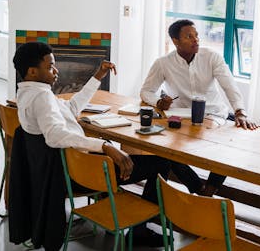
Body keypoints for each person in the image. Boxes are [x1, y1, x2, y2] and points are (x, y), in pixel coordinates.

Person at [12, 42, 168, 247]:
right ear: (33, 71)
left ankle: (193, 191)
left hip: (71, 170)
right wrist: (105, 146)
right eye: (50, 66)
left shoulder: (26, 93)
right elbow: (55, 135)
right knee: (163, 164)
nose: (55, 70)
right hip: (83, 174)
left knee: (161, 162)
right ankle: (140, 230)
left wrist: (97, 77)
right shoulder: (42, 96)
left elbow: (72, 108)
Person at [140, 19, 258, 196]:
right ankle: (197, 188)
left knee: (230, 145)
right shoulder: (163, 63)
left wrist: (240, 111)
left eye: (196, 35)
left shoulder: (211, 57)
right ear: (175, 41)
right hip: (183, 117)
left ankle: (210, 189)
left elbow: (229, 85)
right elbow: (146, 91)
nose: (196, 40)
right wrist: (158, 102)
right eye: (189, 36)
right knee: (166, 152)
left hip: (215, 113)